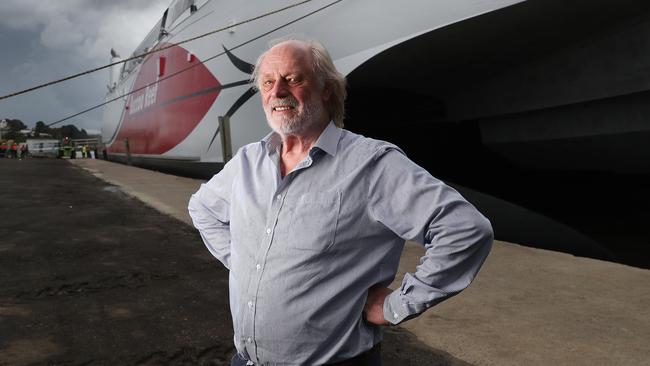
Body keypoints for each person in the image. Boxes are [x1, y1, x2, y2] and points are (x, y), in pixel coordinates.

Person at [188, 39, 493, 366]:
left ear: (327, 90)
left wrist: (396, 306)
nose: (277, 91)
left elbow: (465, 230)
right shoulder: (248, 161)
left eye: (294, 79)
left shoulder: (371, 164)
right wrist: (243, 261)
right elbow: (202, 209)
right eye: (268, 82)